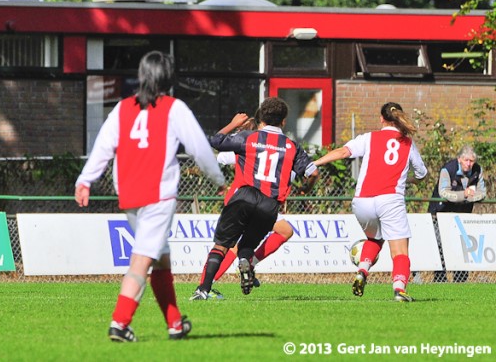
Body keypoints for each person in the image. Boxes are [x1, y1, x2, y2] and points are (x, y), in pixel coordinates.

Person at [74, 51, 225, 342]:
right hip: (159, 195)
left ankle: (175, 323)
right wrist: (218, 179)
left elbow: (103, 147)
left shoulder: (122, 108)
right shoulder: (174, 107)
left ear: (142, 75)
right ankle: (120, 323)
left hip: (129, 194)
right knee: (142, 260)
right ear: (168, 78)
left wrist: (85, 180)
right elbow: (199, 147)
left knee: (161, 259)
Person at [190, 97, 319, 300]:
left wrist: (234, 124)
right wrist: (306, 189)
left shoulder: (248, 138)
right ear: (284, 121)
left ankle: (203, 288)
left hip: (243, 196)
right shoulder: (292, 147)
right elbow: (313, 173)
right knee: (246, 245)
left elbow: (216, 143)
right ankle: (246, 263)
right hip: (269, 203)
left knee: (222, 245)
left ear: (261, 118)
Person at [313, 102, 427, 302]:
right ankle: (399, 289)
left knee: (375, 239)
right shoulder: (407, 143)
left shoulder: (369, 138)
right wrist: (408, 180)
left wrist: (314, 163)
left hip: (362, 201)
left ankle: (362, 271)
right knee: (400, 250)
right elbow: (422, 174)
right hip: (390, 200)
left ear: (381, 119)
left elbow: (343, 152)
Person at [202, 114, 298, 298]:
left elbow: (220, 156)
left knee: (283, 231)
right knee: (231, 245)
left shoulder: (246, 145)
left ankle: (247, 264)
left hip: (248, 197)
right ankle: (210, 282)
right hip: (251, 198)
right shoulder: (269, 147)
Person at [428, 145, 486, 283]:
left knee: (462, 247)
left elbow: (482, 193)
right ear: (459, 159)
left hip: (463, 216)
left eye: (472, 161)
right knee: (441, 248)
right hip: (441, 214)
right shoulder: (447, 170)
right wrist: (464, 194)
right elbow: (444, 193)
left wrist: (468, 197)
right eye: (466, 160)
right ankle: (440, 280)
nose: (469, 164)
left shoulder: (478, 170)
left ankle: (461, 281)